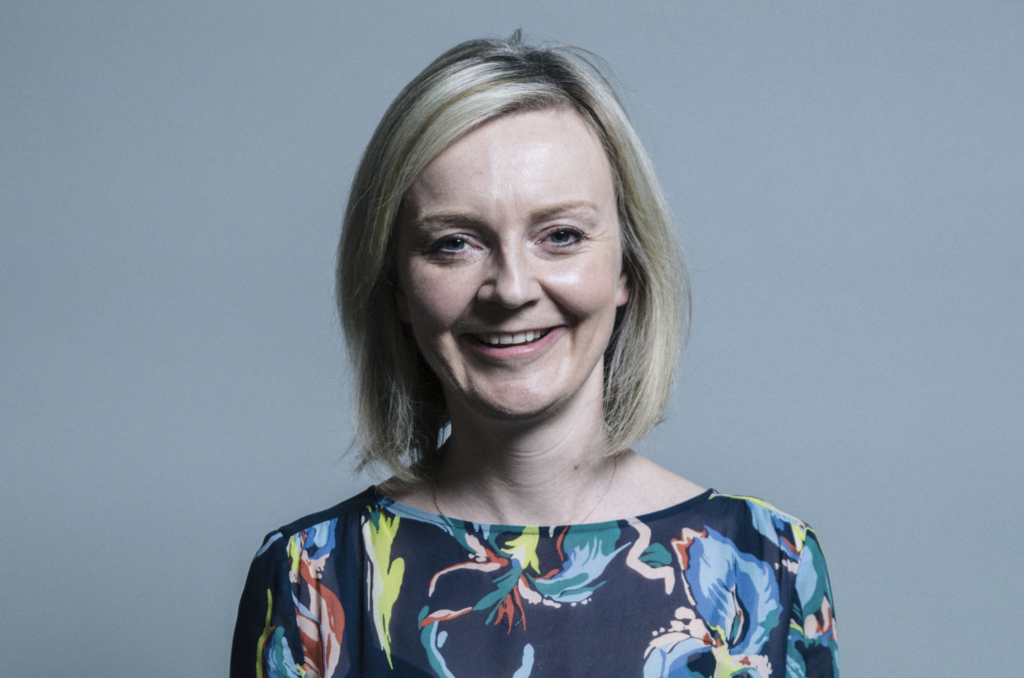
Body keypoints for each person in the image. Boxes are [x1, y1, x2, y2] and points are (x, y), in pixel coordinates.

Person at [231, 32, 839, 678]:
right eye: (454, 243)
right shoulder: (312, 577)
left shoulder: (773, 562)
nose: (512, 289)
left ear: (627, 268)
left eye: (561, 235)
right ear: (397, 287)